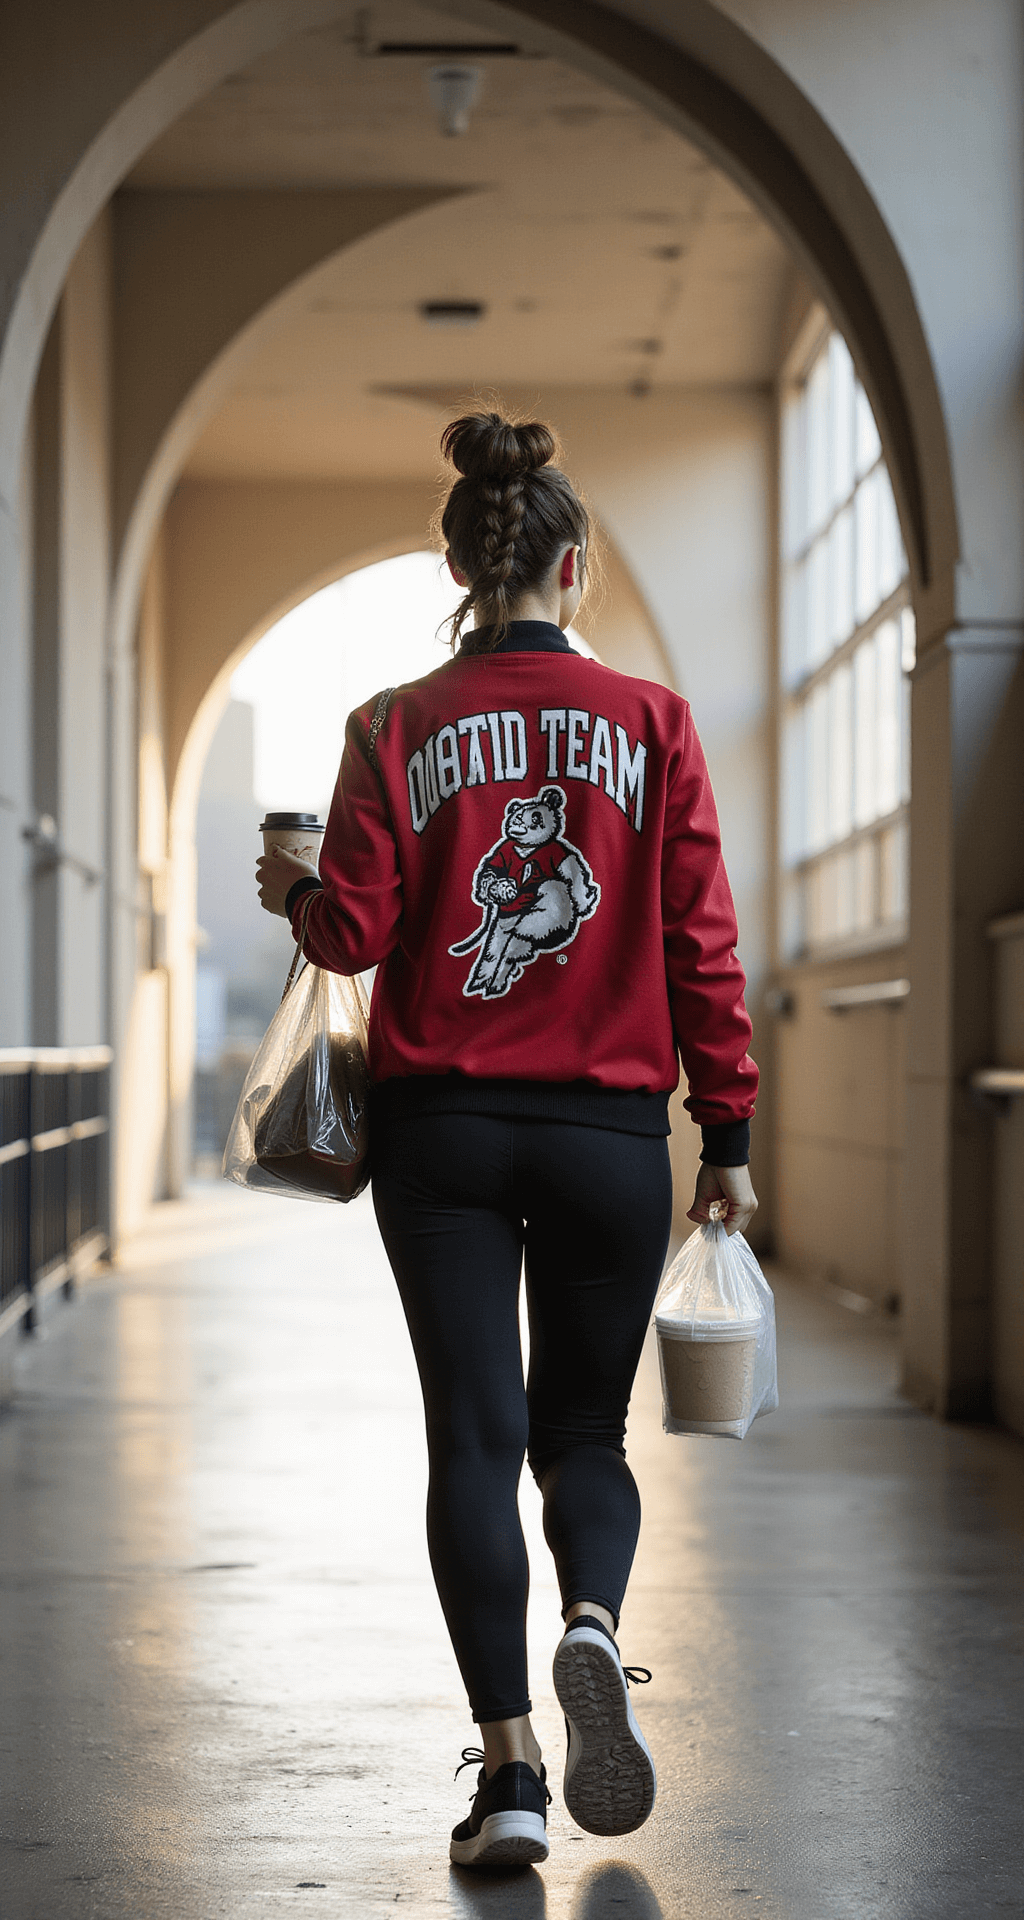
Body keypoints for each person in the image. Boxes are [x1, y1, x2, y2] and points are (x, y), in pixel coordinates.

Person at [256, 411, 758, 1870]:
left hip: (444, 1135)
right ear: (574, 569)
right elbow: (699, 942)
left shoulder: (390, 725)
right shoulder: (654, 726)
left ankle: (511, 1779)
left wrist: (294, 887)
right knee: (586, 1434)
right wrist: (723, 1128)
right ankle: (592, 1625)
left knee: (472, 1441)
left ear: (462, 569)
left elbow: (351, 933)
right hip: (610, 1131)